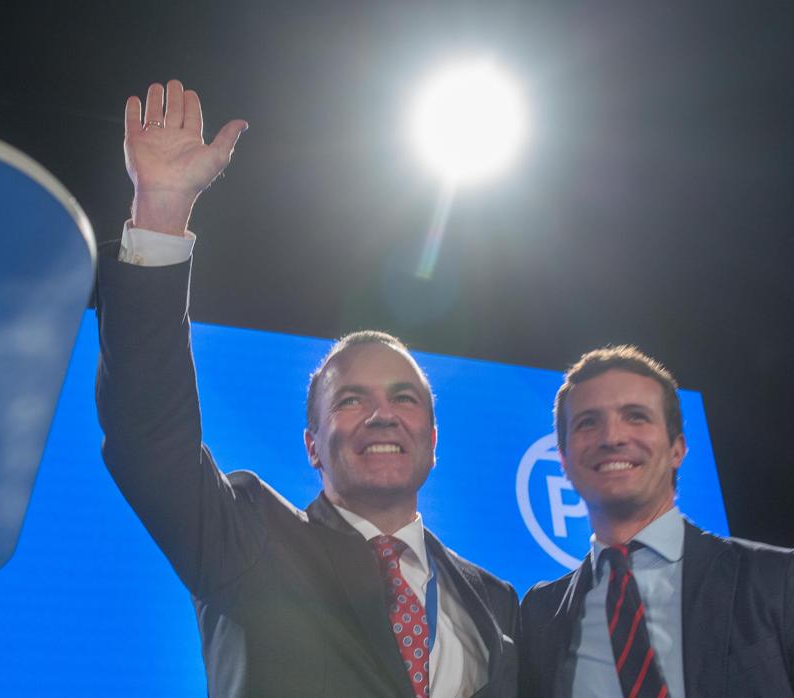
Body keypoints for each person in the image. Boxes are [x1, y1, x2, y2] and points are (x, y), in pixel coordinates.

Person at [95, 79, 518, 697]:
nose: (382, 415)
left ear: (432, 437)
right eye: (351, 400)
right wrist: (160, 211)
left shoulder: (496, 602)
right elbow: (147, 437)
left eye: (404, 398)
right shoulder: (248, 539)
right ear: (313, 445)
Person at [519, 346, 794, 697]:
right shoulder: (539, 613)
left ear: (677, 448)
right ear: (564, 461)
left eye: (636, 416)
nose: (612, 437)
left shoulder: (780, 579)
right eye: (588, 422)